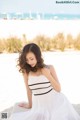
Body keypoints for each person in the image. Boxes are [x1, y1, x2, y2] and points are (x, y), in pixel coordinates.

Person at [9, 43, 80, 120]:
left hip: (57, 103)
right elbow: (28, 90)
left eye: (31, 59)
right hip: (39, 106)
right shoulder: (26, 71)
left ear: (38, 56)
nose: (29, 62)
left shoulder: (50, 67)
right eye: (27, 60)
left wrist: (48, 75)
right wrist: (30, 105)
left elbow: (58, 89)